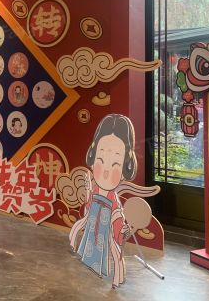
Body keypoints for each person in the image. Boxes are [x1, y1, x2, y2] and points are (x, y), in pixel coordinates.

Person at [69, 114, 135, 288]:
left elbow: (117, 218)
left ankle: (117, 278)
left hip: (107, 226)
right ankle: (77, 248)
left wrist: (121, 230)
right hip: (93, 225)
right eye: (100, 160)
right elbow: (88, 208)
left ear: (124, 168)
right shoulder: (95, 189)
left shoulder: (114, 200)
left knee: (114, 250)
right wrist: (88, 195)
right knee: (83, 235)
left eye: (115, 165)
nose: (105, 172)